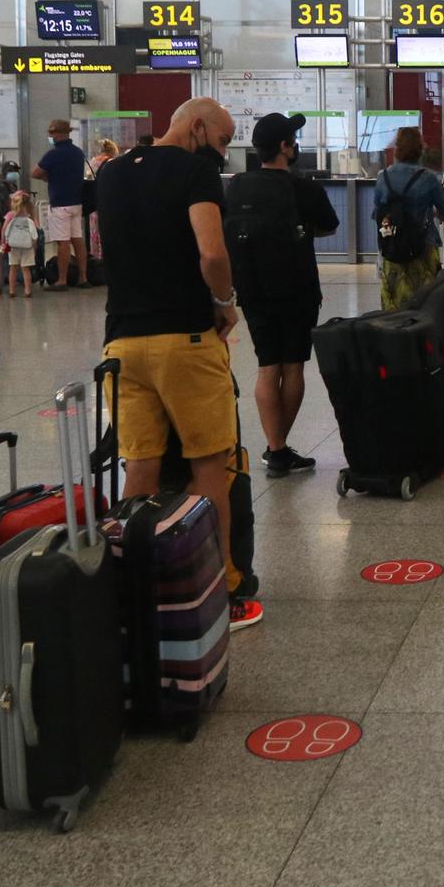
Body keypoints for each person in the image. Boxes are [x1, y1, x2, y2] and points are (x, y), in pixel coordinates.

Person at [95, 98, 260, 630]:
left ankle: (135, 586)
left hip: (120, 343)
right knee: (211, 466)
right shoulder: (196, 172)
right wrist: (226, 298)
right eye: (222, 141)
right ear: (195, 128)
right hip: (185, 340)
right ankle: (224, 587)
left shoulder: (112, 172)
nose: (222, 153)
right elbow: (211, 253)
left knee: (139, 467)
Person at [225, 112, 341, 479]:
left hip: (253, 287)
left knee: (266, 365)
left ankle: (276, 447)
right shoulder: (303, 188)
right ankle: (278, 449)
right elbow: (328, 227)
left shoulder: (238, 185)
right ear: (286, 148)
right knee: (293, 366)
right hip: (297, 288)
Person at [374, 126, 444, 310]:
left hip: (392, 245)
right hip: (423, 246)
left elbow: (377, 213)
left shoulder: (383, 177)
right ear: (420, 149)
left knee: (393, 301)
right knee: (425, 302)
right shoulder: (428, 178)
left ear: (397, 149)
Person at [31, 119, 90, 290]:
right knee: (78, 239)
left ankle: (62, 280)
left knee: (63, 242)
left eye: (51, 133)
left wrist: (47, 177)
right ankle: (83, 277)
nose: (50, 136)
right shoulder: (78, 152)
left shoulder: (53, 154)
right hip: (76, 202)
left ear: (57, 134)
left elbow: (35, 173)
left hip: (59, 204)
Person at [1, 190, 42, 299]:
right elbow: (34, 233)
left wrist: (3, 243)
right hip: (27, 246)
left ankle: (12, 290)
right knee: (26, 269)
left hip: (12, 246)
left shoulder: (10, 215)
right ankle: (28, 291)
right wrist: (34, 245)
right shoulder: (28, 217)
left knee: (13, 268)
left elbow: (4, 230)